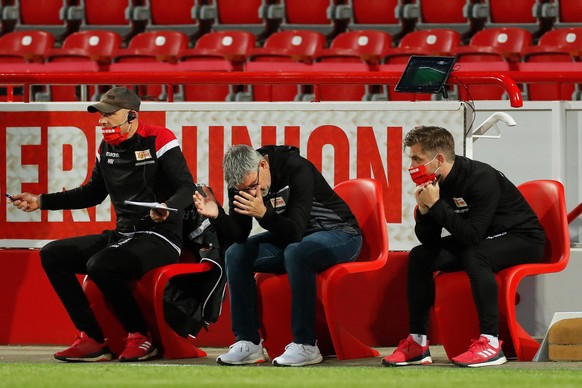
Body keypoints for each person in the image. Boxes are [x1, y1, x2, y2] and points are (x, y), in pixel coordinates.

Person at [8, 87, 196, 362]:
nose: (102, 121)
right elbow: (93, 193)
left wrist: (167, 208)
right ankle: (93, 337)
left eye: (109, 114)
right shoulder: (105, 147)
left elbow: (186, 187)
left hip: (160, 237)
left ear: (132, 115)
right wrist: (41, 201)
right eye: (100, 115)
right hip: (123, 235)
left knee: (102, 263)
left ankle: (139, 336)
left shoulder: (160, 139)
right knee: (52, 254)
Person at [382, 126, 546, 368]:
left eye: (417, 159)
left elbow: (472, 236)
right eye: (411, 159)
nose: (411, 166)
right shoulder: (435, 181)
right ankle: (418, 344)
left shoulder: (480, 177)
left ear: (438, 159)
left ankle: (490, 344)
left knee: (475, 253)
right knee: (420, 256)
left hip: (524, 239)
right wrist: (426, 212)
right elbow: (429, 240)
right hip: (484, 239)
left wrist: (437, 205)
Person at [193, 144, 363, 367]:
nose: (252, 193)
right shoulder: (243, 181)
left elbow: (296, 231)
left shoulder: (297, 168)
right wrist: (218, 216)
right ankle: (248, 343)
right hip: (294, 239)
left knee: (296, 251)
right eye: (243, 190)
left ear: (263, 165)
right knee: (236, 254)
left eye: (254, 186)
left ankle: (306, 345)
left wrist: (264, 214)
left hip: (340, 234)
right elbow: (240, 234)